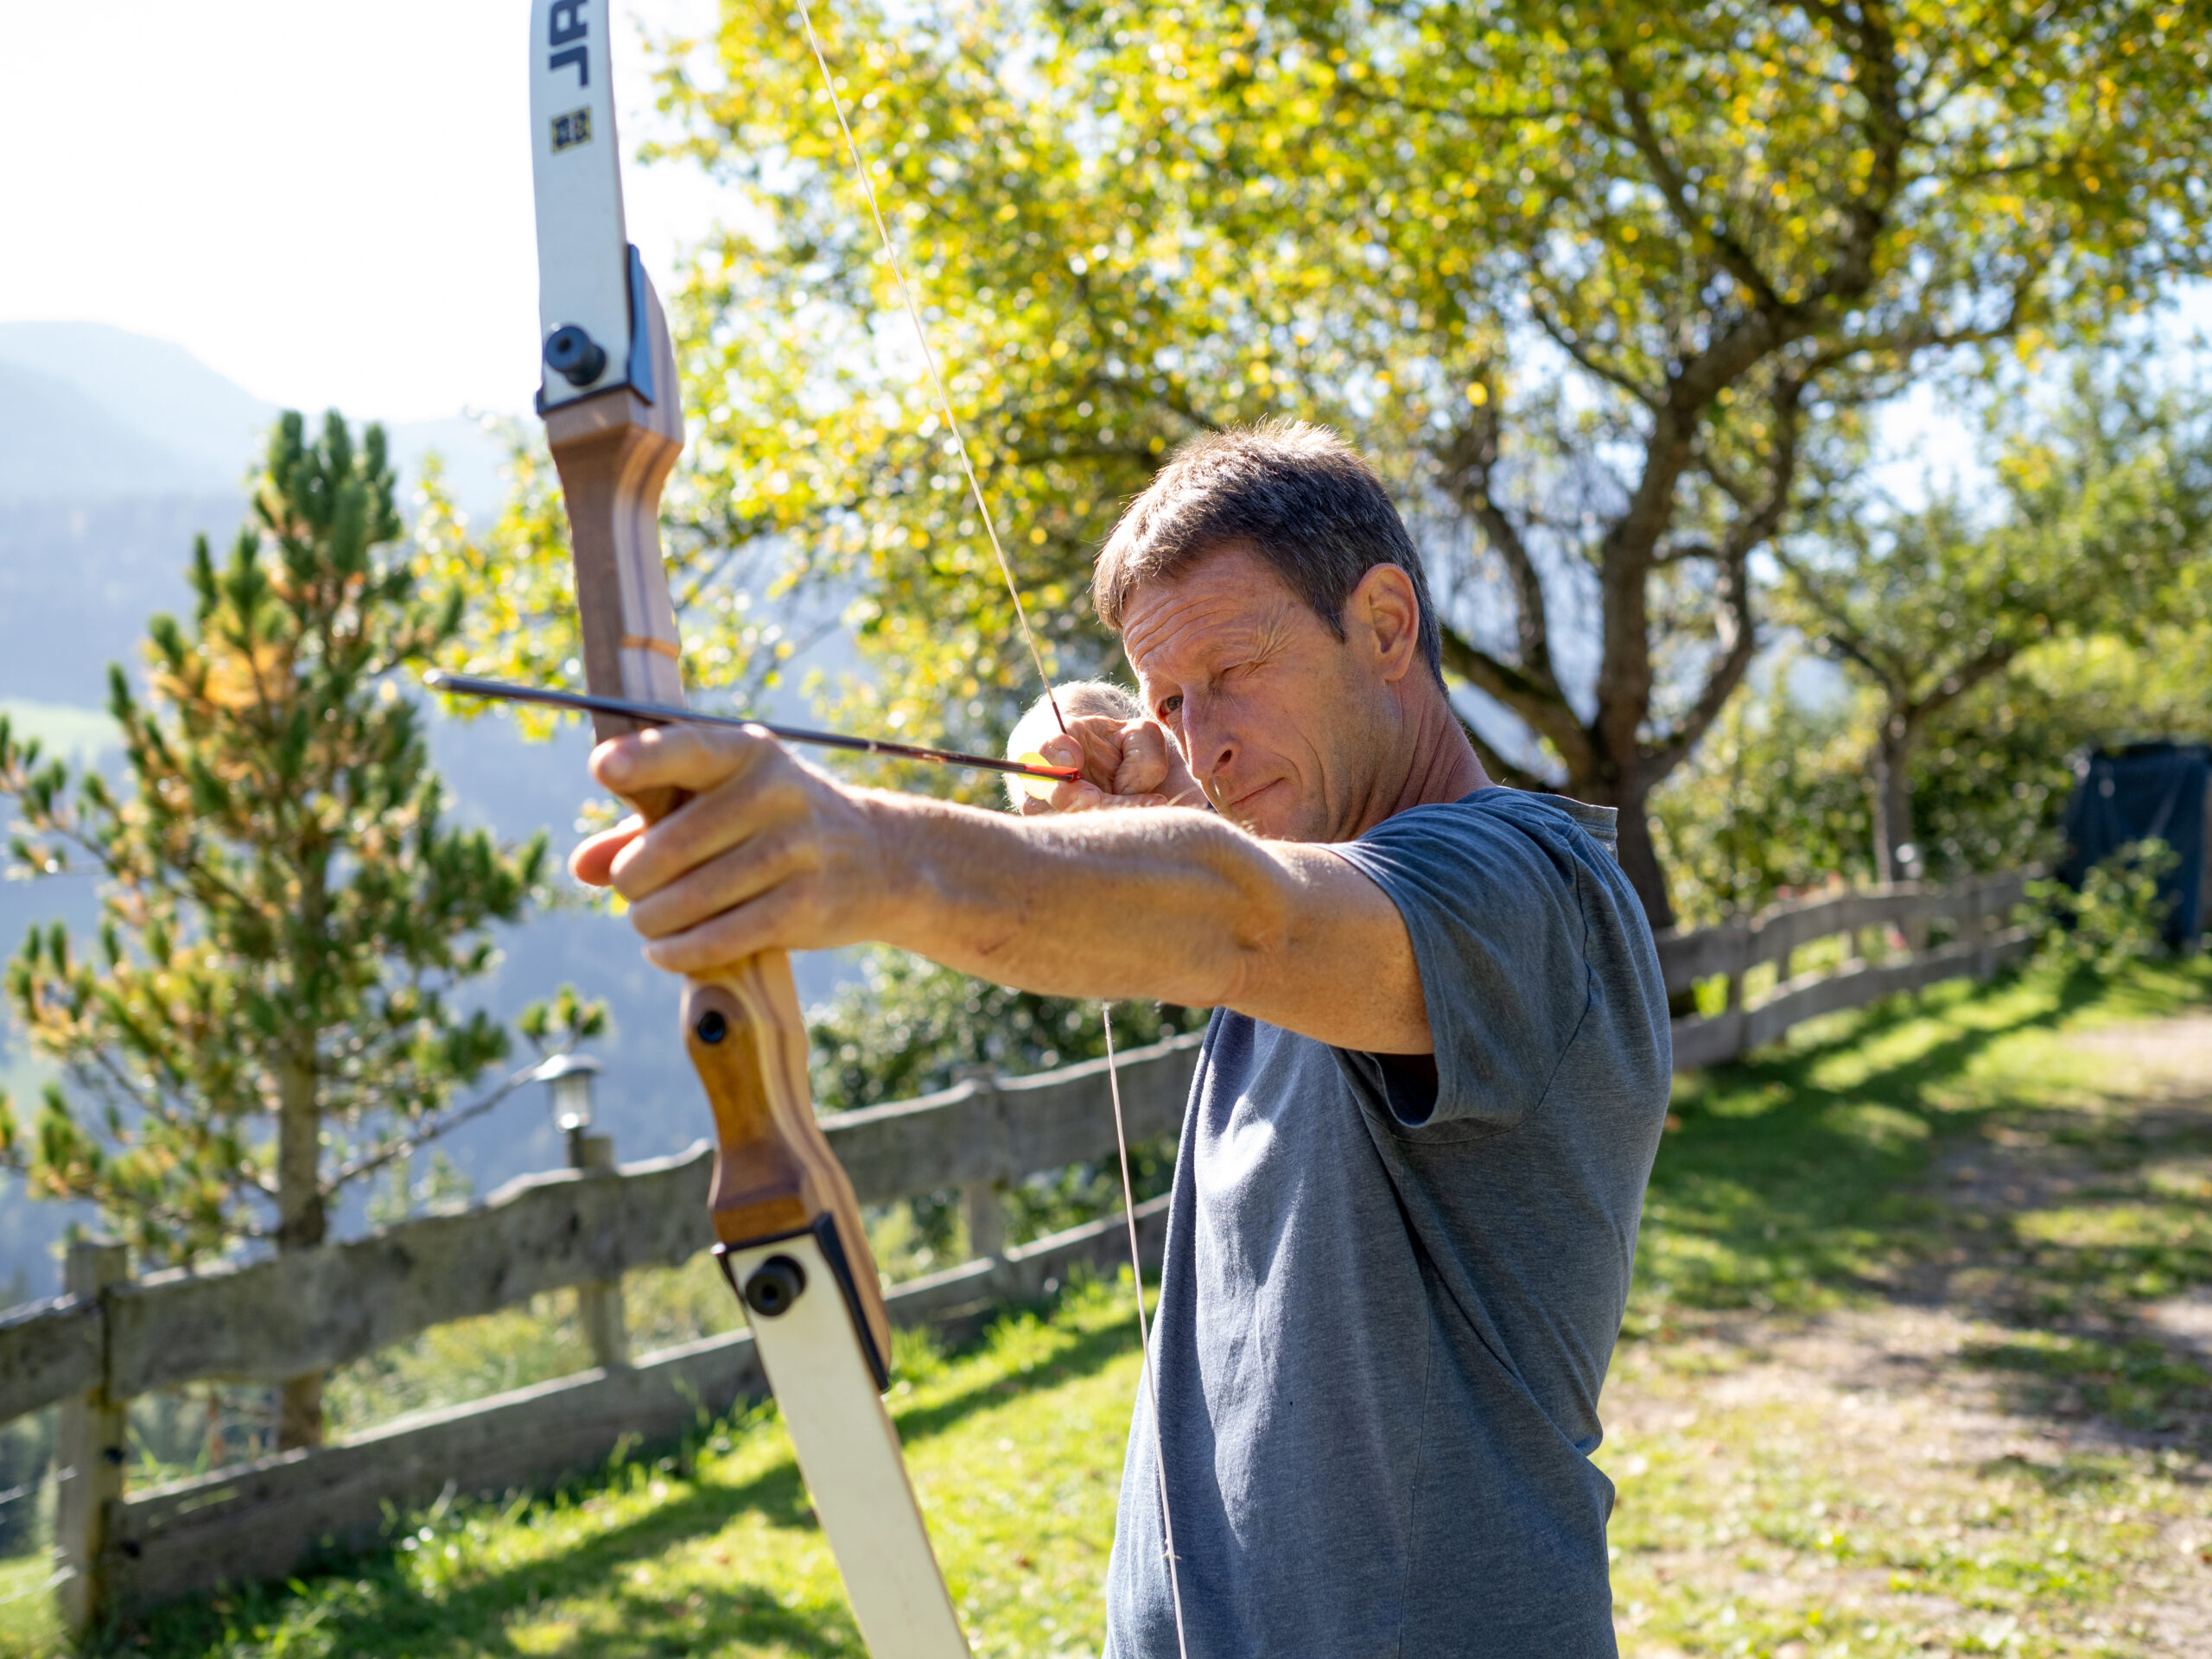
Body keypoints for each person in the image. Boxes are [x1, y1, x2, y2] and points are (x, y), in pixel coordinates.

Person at [570, 419, 1673, 1656]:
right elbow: (1206, 877)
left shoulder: (1522, 891)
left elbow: (1235, 920)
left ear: (1384, 625)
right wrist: (1110, 755)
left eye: (1235, 672)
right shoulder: (1304, 867)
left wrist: (868, 855)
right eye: (1171, 698)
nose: (1207, 740)